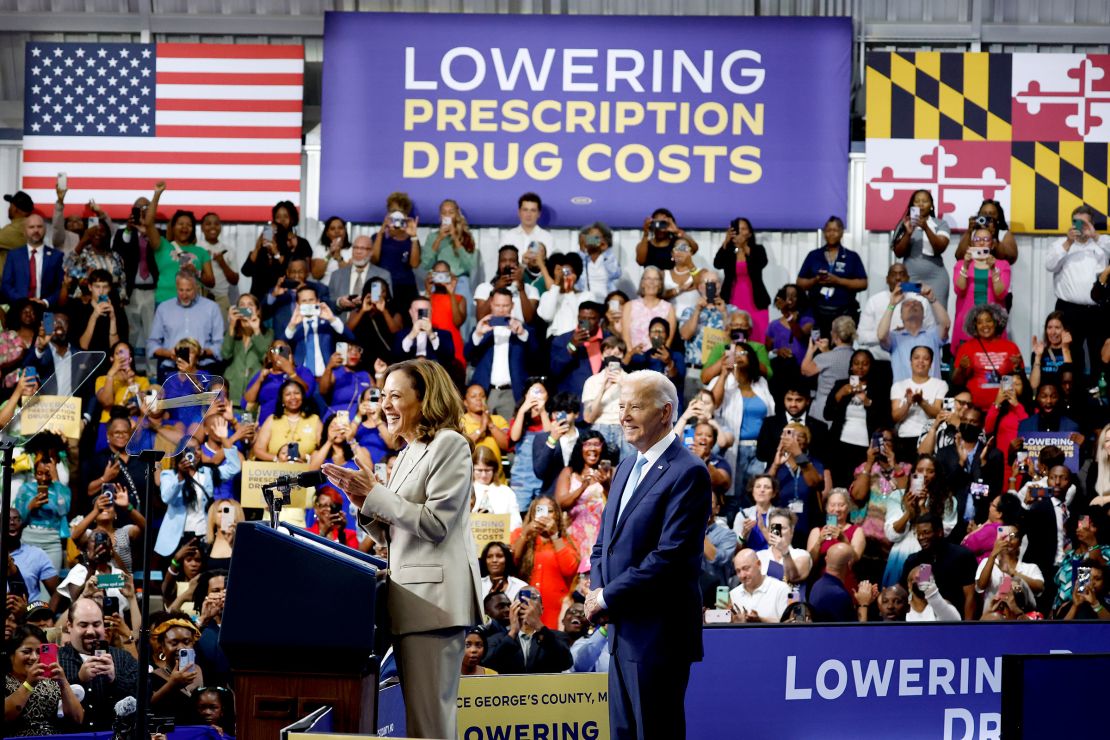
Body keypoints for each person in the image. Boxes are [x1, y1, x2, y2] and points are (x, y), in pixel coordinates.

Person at [322, 359, 481, 740]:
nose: (385, 405)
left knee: (430, 728)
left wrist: (376, 494)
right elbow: (395, 533)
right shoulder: (410, 451)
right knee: (419, 728)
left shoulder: (450, 445)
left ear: (424, 400)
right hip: (411, 604)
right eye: (383, 396)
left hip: (434, 607)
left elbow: (435, 524)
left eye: (396, 395)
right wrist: (362, 500)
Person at [585, 370, 710, 740]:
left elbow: (669, 558)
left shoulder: (688, 472)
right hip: (622, 630)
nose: (623, 415)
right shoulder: (626, 465)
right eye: (622, 406)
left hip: (659, 636)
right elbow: (603, 542)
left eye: (635, 406)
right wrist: (597, 591)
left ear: (665, 411)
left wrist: (606, 595)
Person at [1045, 204, 1110, 372]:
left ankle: (1098, 392)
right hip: (1068, 309)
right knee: (1070, 352)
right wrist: (1068, 242)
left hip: (1097, 310)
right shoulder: (1061, 244)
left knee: (1099, 353)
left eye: (1084, 223)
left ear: (1092, 224)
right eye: (1076, 223)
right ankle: (1074, 393)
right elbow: (1050, 265)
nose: (1080, 228)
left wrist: (1095, 235)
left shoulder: (1102, 244)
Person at [58, 597, 139, 730]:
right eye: (83, 625)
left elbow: (144, 696)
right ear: (69, 626)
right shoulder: (57, 660)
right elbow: (49, 703)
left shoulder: (122, 657)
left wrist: (115, 680)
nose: (91, 631)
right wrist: (79, 680)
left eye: (96, 624)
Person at [825, 349, 892, 485]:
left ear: (871, 366)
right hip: (840, 445)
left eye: (865, 364)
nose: (860, 367)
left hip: (865, 448)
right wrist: (840, 394)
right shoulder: (841, 384)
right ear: (851, 366)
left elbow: (885, 419)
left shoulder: (879, 388)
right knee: (840, 484)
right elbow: (827, 414)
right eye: (856, 363)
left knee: (860, 485)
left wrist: (868, 401)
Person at [511, 497, 579, 629]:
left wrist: (555, 536)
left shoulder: (566, 540)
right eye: (541, 510)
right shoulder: (520, 534)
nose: (546, 515)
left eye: (550, 511)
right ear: (532, 513)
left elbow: (569, 570)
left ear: (557, 515)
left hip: (555, 608)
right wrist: (525, 534)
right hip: (525, 607)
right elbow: (512, 562)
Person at [4, 624, 84, 733]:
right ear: (11, 655)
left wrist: (63, 682)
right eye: (26, 652)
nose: (34, 657)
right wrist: (29, 684)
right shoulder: (6, 680)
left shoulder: (50, 681)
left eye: (39, 652)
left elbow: (77, 719)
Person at [142, 184, 216, 302]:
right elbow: (148, 223)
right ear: (173, 227)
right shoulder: (162, 245)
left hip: (193, 304)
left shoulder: (201, 252)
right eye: (181, 224)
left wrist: (196, 272)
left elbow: (211, 282)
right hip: (164, 301)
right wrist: (157, 194)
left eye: (189, 225)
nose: (185, 227)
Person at [466, 289, 533, 419]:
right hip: (485, 392)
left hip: (512, 393)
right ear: (491, 304)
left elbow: (535, 358)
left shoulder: (523, 330)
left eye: (505, 305)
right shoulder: (482, 328)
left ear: (512, 306)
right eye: (497, 305)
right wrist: (479, 334)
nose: (501, 310)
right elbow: (468, 356)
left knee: (509, 435)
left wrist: (522, 334)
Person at [796, 216, 868, 336]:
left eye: (835, 230)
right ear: (824, 233)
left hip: (844, 312)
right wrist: (815, 280)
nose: (831, 234)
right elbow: (799, 283)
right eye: (828, 230)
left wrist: (838, 281)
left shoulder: (852, 256)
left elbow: (863, 283)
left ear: (841, 233)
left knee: (841, 347)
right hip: (817, 312)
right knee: (818, 348)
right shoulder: (814, 255)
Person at [145, 272, 224, 380]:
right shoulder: (164, 308)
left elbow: (220, 345)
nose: (184, 295)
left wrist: (201, 352)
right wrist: (168, 353)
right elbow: (152, 344)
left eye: (188, 290)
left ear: (196, 287)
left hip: (203, 368)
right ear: (176, 288)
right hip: (171, 369)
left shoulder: (211, 308)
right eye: (181, 290)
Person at [901, 514, 978, 620]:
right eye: (918, 534)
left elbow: (970, 596)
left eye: (926, 533)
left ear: (940, 532)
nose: (921, 537)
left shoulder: (962, 556)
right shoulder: (914, 560)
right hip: (925, 620)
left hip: (955, 619)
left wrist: (966, 628)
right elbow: (906, 594)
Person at [556, 431, 613, 575]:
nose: (592, 449)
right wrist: (583, 487)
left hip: (600, 538)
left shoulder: (610, 472)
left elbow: (618, 504)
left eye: (597, 444)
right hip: (574, 537)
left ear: (602, 448)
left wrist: (606, 485)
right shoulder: (569, 472)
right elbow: (560, 503)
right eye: (587, 444)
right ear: (580, 448)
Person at [857, 263, 936, 365]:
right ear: (887, 279)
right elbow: (861, 337)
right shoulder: (874, 301)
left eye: (902, 274)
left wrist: (909, 333)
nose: (898, 278)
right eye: (894, 274)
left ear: (908, 278)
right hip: (880, 362)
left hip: (912, 363)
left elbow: (931, 332)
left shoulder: (920, 300)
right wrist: (890, 335)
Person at [951, 304, 1023, 412]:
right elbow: (956, 382)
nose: (984, 325)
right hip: (975, 410)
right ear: (975, 326)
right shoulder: (966, 347)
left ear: (996, 322)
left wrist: (1017, 368)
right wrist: (961, 368)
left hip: (1004, 409)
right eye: (979, 322)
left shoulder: (1011, 347)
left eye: (988, 320)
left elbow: (1020, 381)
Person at [483, 590, 572, 674]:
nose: (527, 610)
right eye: (522, 605)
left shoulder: (558, 636)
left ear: (541, 610)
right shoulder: (497, 639)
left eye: (532, 606)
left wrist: (539, 626)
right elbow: (487, 666)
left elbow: (566, 663)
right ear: (513, 609)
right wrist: (513, 632)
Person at [891, 189, 951, 309]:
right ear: (912, 205)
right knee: (911, 314)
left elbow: (940, 248)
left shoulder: (940, 224)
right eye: (917, 201)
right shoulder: (904, 224)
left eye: (925, 201)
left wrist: (926, 228)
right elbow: (898, 253)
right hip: (911, 278)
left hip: (936, 279)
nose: (921, 204)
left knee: (938, 318)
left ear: (932, 206)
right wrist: (908, 233)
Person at [952, 226, 1012, 348]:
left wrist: (993, 269)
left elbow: (1001, 293)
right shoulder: (960, 264)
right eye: (977, 239)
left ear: (992, 244)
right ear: (972, 243)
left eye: (986, 239)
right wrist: (965, 265)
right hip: (966, 324)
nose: (981, 242)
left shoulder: (1002, 265)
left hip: (992, 325)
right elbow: (959, 290)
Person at [714, 216, 770, 343]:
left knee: (757, 337)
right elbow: (717, 264)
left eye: (744, 229)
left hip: (756, 301)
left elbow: (761, 263)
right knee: (734, 336)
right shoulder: (729, 251)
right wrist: (725, 242)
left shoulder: (758, 250)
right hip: (733, 299)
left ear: (749, 233)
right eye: (737, 229)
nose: (740, 232)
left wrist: (744, 246)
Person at [877, 283, 949, 382]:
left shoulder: (932, 334)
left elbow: (946, 325)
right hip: (903, 394)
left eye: (917, 304)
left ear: (923, 315)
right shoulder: (895, 337)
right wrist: (892, 304)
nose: (912, 305)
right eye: (907, 304)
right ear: (901, 316)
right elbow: (881, 335)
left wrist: (932, 299)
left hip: (932, 393)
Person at [890, 346, 948, 459]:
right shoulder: (898, 386)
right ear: (910, 362)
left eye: (926, 358)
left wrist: (921, 402)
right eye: (916, 358)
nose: (920, 361)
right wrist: (908, 403)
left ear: (931, 363)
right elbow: (895, 417)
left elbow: (937, 414)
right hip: (905, 437)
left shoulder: (941, 384)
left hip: (930, 437)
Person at [755, 381, 830, 468]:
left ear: (807, 401)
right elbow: (761, 455)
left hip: (809, 474)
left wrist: (802, 450)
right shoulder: (770, 423)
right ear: (784, 400)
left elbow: (825, 457)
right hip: (778, 474)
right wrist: (782, 448)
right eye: (789, 399)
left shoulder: (820, 427)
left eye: (798, 400)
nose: (793, 404)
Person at [284, 284, 351, 378]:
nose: (308, 304)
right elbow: (281, 347)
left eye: (311, 300)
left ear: (318, 301)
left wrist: (332, 319)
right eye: (304, 301)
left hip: (327, 377)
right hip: (301, 378)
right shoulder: (293, 325)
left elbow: (351, 338)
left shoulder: (329, 323)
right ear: (297, 304)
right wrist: (292, 325)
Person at [252, 379, 323, 464]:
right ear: (282, 399)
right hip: (274, 471)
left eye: (296, 393)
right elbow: (258, 450)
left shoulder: (314, 420)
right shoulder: (272, 419)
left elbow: (324, 449)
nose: (293, 397)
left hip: (306, 470)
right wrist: (277, 459)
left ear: (302, 397)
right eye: (288, 394)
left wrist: (307, 458)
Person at [0, 212, 64, 307]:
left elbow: (60, 287)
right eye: (31, 227)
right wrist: (22, 301)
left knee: (50, 322)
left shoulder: (56, 256)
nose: (36, 230)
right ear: (24, 231)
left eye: (39, 227)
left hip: (47, 310)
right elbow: (6, 285)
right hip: (19, 309)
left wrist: (46, 302)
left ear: (45, 229)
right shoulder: (13, 255)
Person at [370, 192, 421, 309]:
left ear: (406, 214)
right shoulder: (378, 236)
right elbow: (373, 260)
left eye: (401, 211)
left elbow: (415, 264)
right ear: (388, 213)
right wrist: (381, 233)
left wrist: (413, 236)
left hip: (405, 287)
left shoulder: (411, 239)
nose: (397, 214)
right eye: (393, 210)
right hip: (380, 285)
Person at [975, 520, 1044, 607]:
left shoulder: (1030, 568)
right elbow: (981, 586)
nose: (1009, 540)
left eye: (1013, 536)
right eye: (1004, 536)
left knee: (1016, 585)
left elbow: (1039, 588)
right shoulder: (987, 562)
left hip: (1018, 617)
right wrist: (993, 555)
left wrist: (1013, 573)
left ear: (1020, 542)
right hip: (992, 617)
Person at [802, 315, 857, 423]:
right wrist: (827, 352)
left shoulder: (825, 358)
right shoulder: (858, 357)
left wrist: (811, 349)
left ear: (835, 335)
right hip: (849, 410)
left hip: (824, 409)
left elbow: (805, 371)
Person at [221, 293, 273, 406]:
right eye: (242, 305)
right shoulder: (231, 334)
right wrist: (231, 325)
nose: (246, 308)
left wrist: (256, 330)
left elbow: (267, 358)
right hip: (232, 393)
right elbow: (225, 354)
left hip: (254, 394)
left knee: (248, 422)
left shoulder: (268, 334)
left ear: (258, 311)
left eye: (250, 305)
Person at [329, 235, 392, 320]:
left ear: (371, 252)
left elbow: (388, 305)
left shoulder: (381, 275)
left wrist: (365, 302)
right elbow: (328, 303)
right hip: (342, 327)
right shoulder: (336, 275)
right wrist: (339, 303)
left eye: (363, 248)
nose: (358, 252)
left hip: (371, 327)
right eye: (355, 248)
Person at [550, 302, 607, 396]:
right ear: (578, 317)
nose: (586, 323)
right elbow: (555, 370)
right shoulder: (562, 340)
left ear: (599, 319)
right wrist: (572, 345)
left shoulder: (608, 339)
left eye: (591, 318)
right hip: (574, 400)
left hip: (603, 397)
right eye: (583, 318)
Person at [622, 267, 676, 363]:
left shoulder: (668, 308)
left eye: (656, 279)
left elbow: (669, 340)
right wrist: (631, 354)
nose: (652, 282)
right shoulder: (629, 306)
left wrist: (659, 357)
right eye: (648, 278)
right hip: (634, 359)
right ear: (642, 283)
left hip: (657, 360)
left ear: (660, 284)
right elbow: (625, 335)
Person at [70, 268, 128, 354]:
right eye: (97, 287)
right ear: (90, 287)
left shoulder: (118, 311)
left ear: (110, 288)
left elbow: (118, 350)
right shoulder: (80, 310)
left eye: (105, 287)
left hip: (110, 360)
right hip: (87, 360)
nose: (101, 292)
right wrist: (94, 316)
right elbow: (82, 346)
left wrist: (112, 319)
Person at [7, 508, 60, 601]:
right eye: (8, 519)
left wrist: (46, 614)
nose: (12, 522)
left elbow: (58, 593)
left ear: (22, 524)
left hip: (28, 612)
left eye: (16, 519)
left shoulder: (37, 555)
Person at [728, 548, 790, 623]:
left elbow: (788, 624)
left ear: (759, 564)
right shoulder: (734, 594)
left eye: (746, 568)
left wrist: (761, 620)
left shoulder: (781, 589)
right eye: (738, 571)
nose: (742, 575)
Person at [538, 253, 592, 338]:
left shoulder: (586, 296)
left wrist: (569, 291)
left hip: (578, 339)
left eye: (568, 273)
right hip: (555, 341)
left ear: (576, 275)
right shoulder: (547, 295)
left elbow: (585, 322)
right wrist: (556, 285)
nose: (565, 276)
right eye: (561, 273)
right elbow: (547, 316)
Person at [954, 199, 1019, 264]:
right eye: (984, 214)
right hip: (973, 271)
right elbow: (959, 257)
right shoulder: (972, 233)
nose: (987, 217)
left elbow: (1011, 258)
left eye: (991, 214)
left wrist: (994, 236)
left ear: (998, 218)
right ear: (979, 216)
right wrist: (969, 232)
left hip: (997, 272)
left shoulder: (1003, 234)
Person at [472, 446, 522, 530]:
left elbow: (516, 522)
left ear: (494, 470)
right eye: (479, 470)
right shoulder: (465, 491)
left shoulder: (506, 492)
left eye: (487, 470)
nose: (483, 475)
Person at [807, 542, 857, 622]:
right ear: (849, 564)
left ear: (826, 559)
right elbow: (855, 632)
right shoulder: (839, 594)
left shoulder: (816, 585)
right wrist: (863, 604)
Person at [576, 221, 621, 302]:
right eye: (591, 237)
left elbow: (616, 274)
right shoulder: (580, 257)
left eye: (597, 237)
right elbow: (576, 274)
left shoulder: (607, 257)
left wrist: (606, 252)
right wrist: (582, 250)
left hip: (606, 300)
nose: (594, 240)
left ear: (604, 239)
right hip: (585, 300)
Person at [1029, 312, 1073, 390]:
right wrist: (1038, 357)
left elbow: (1069, 384)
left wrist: (1065, 349)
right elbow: (1033, 385)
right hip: (1044, 399)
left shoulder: (1072, 352)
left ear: (1065, 330)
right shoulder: (1039, 352)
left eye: (1057, 328)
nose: (1053, 332)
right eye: (1049, 328)